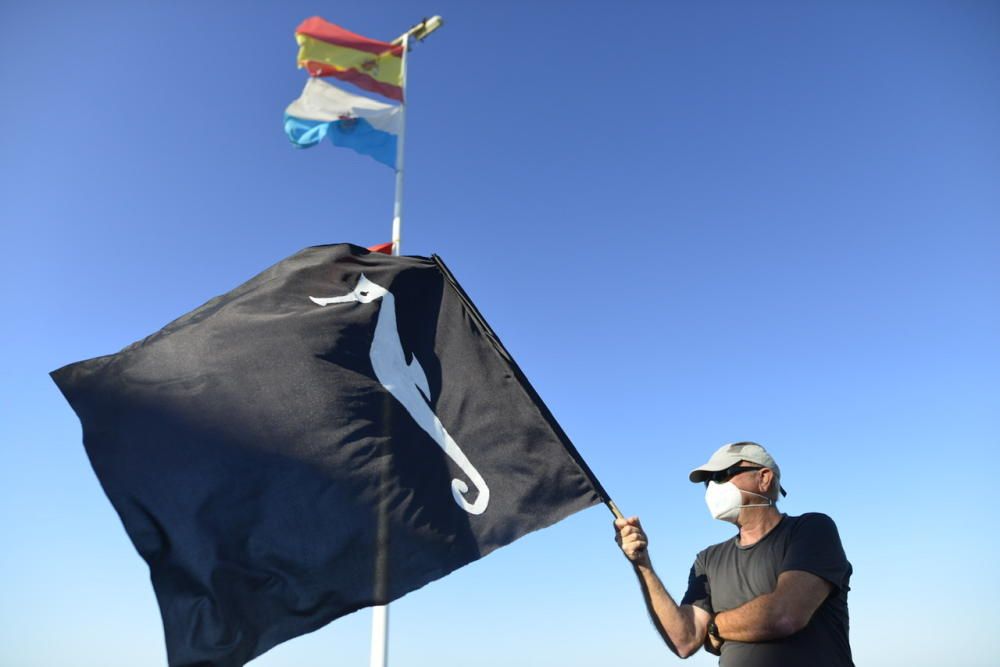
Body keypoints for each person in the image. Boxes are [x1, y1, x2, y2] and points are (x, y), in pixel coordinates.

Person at [614, 441, 853, 666]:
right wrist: (642, 564)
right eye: (708, 481)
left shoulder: (812, 529)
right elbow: (685, 640)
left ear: (764, 478)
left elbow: (784, 615)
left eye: (721, 475)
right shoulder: (707, 560)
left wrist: (712, 626)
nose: (712, 488)